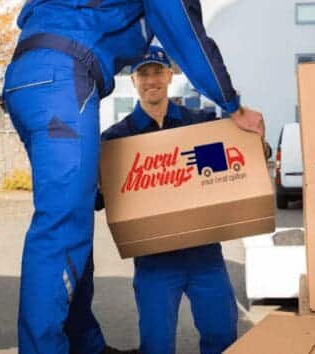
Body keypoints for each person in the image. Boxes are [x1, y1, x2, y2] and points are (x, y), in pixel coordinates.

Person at [2, 0, 264, 354]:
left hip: (23, 80)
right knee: (61, 227)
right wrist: (232, 104)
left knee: (71, 214)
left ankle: (85, 344)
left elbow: (33, 18)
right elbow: (189, 36)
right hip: (65, 78)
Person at [99, 46, 240, 354]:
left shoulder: (199, 126)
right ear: (134, 80)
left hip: (204, 254)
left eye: (158, 72)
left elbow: (227, 165)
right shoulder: (116, 140)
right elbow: (98, 198)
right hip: (155, 262)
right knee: (156, 346)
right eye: (144, 74)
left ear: (170, 76)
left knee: (223, 337)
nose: (152, 81)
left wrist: (260, 149)